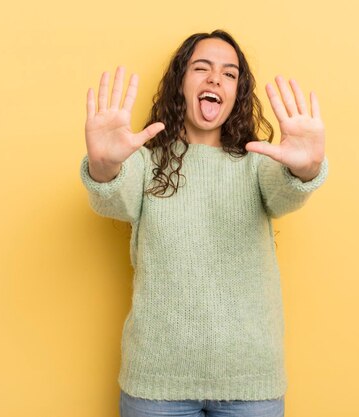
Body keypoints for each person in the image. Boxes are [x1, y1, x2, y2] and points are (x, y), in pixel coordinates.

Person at [80, 29, 328, 417]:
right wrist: (105, 163)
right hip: (157, 383)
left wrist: (306, 168)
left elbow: (287, 193)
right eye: (202, 68)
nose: (215, 79)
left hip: (250, 382)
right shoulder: (146, 163)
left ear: (237, 93)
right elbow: (111, 197)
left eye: (229, 74)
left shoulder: (258, 163)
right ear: (180, 82)